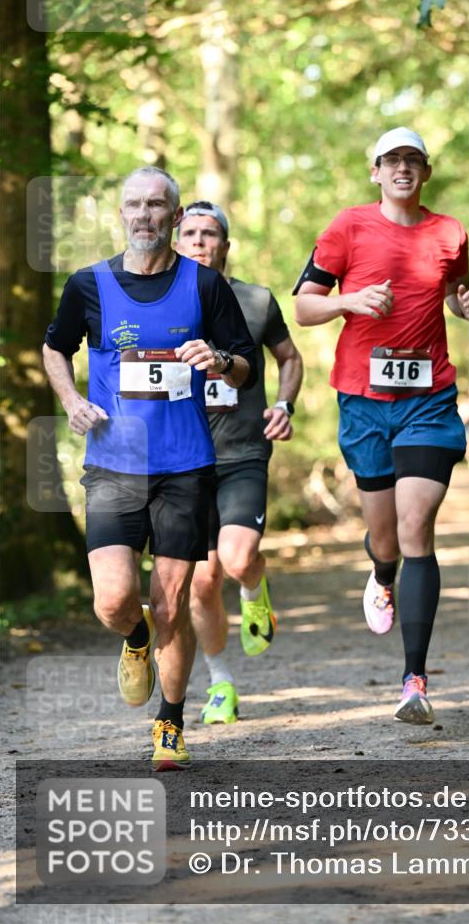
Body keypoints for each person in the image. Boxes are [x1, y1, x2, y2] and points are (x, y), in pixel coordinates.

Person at [42, 167, 257, 769]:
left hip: (185, 466)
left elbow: (246, 366)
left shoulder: (204, 285)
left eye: (157, 205)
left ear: (174, 215)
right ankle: (134, 639)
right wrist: (71, 400)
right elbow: (55, 347)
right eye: (134, 204)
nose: (144, 215)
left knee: (171, 605)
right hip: (112, 465)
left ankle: (170, 722)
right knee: (115, 602)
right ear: (121, 214)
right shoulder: (88, 284)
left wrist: (219, 359)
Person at [294, 127, 469, 725]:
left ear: (426, 172)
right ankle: (381, 575)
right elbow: (303, 306)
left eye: (413, 160)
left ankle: (414, 681)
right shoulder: (347, 228)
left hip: (429, 400)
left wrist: (464, 305)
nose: (403, 168)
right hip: (363, 402)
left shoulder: (449, 232)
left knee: (415, 526)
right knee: (386, 540)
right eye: (392, 160)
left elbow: (454, 290)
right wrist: (348, 302)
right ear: (375, 171)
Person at [176, 201, 303, 724]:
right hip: (182, 461)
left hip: (243, 452)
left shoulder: (254, 300)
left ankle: (254, 586)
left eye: (209, 234)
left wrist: (284, 404)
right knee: (202, 582)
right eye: (190, 233)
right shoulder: (158, 305)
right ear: (176, 243)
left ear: (226, 245)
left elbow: (289, 357)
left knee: (236, 557)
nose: (199, 242)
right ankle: (220, 683)